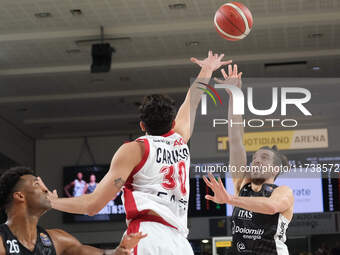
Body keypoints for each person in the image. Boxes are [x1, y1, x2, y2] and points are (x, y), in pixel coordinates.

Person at [42, 51, 232, 255]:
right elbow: (192, 100)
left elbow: (93, 206)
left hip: (146, 237)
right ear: (173, 123)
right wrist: (207, 69)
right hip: (180, 243)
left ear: (142, 125)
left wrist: (52, 202)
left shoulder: (134, 149)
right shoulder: (180, 139)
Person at [203, 64, 294, 255]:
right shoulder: (241, 185)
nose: (257, 161)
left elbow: (270, 207)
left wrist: (230, 199)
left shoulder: (283, 192)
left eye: (265, 158)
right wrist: (234, 95)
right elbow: (236, 140)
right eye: (254, 158)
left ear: (276, 169)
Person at [0, 167, 146, 255]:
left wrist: (117, 252)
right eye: (36, 184)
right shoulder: (2, 241)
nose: (45, 189)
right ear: (20, 196)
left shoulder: (57, 240)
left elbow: (89, 252)